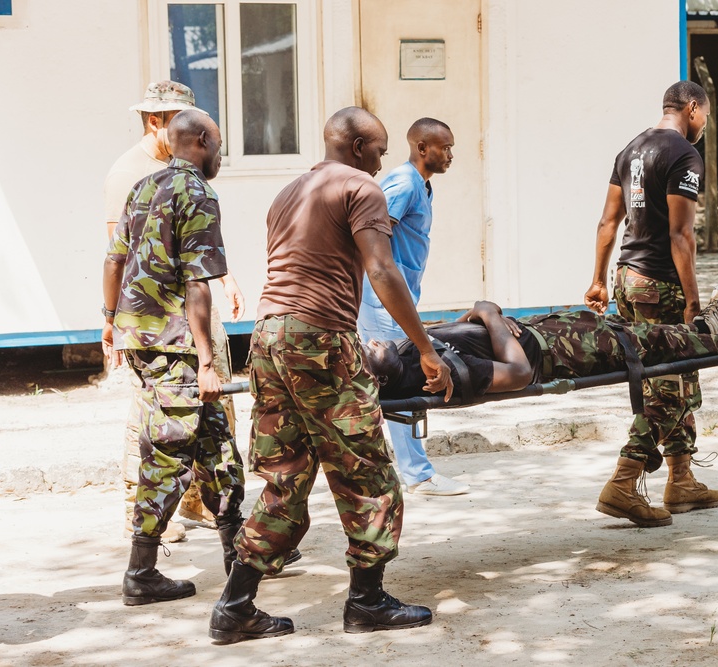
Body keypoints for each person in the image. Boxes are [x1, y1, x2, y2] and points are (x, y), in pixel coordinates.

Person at [208, 107, 453, 644]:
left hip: (269, 338)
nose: (383, 160)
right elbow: (383, 270)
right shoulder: (361, 188)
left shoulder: (289, 192)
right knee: (368, 472)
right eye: (381, 150)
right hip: (320, 339)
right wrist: (426, 350)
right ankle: (366, 602)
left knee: (286, 477)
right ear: (361, 147)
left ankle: (235, 608)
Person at [102, 110, 245, 605]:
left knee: (217, 442)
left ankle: (238, 550)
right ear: (201, 141)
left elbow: (113, 258)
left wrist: (108, 317)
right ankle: (141, 573)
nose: (222, 155)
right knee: (168, 452)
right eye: (220, 145)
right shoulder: (199, 193)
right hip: (176, 344)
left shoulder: (144, 187)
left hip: (140, 336)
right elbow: (197, 283)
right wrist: (206, 361)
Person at [584, 80, 718, 528]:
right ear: (693, 108)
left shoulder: (632, 148)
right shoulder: (684, 154)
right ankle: (623, 483)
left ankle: (680, 480)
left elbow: (609, 221)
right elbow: (681, 235)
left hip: (627, 278)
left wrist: (598, 281)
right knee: (668, 386)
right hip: (661, 281)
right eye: (705, 114)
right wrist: (693, 300)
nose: (705, 123)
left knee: (671, 374)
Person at [368, 292, 718, 411]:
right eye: (367, 354)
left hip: (549, 331)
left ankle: (706, 331)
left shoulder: (410, 354)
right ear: (382, 378)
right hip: (559, 352)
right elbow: (518, 373)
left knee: (650, 333)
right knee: (653, 343)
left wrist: (478, 314)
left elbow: (460, 325)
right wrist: (489, 313)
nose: (368, 343)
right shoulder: (444, 374)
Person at [357, 118, 468, 496]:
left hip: (395, 297)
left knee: (381, 383)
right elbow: (372, 236)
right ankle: (417, 474)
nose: (451, 154)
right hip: (381, 300)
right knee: (398, 380)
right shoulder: (404, 183)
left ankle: (386, 470)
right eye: (445, 147)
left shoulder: (419, 184)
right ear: (422, 148)